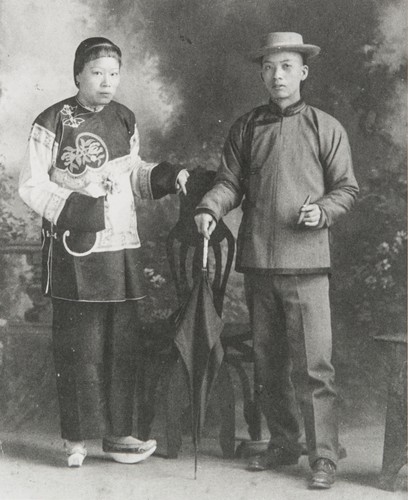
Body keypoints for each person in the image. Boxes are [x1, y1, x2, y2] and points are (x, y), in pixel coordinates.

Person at [194, 32, 359, 490]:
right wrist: (209, 208)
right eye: (269, 67)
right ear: (262, 73)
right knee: (269, 364)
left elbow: (346, 188)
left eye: (286, 66)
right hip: (260, 265)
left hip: (307, 265)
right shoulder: (246, 128)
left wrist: (323, 210)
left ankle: (323, 455)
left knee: (313, 366)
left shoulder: (326, 127)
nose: (277, 75)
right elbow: (230, 182)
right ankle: (284, 443)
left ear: (303, 72)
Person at [19, 37, 189, 467]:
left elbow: (133, 171)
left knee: (122, 343)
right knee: (80, 345)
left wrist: (169, 177)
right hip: (76, 249)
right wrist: (83, 205)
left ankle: (119, 435)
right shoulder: (53, 120)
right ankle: (75, 439)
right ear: (78, 74)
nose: (107, 82)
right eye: (97, 73)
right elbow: (32, 185)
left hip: (120, 247)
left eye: (114, 73)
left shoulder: (124, 118)